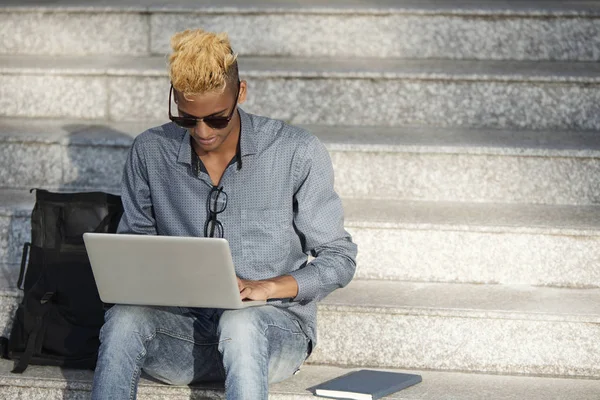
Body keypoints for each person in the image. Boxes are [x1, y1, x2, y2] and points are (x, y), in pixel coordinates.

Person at [90, 28, 357, 400]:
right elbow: (135, 248)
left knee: (241, 321)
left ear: (241, 93)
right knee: (123, 319)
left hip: (271, 333)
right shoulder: (150, 151)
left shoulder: (297, 152)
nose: (202, 132)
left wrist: (268, 288)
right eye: (186, 119)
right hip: (184, 334)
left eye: (216, 119)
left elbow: (339, 259)